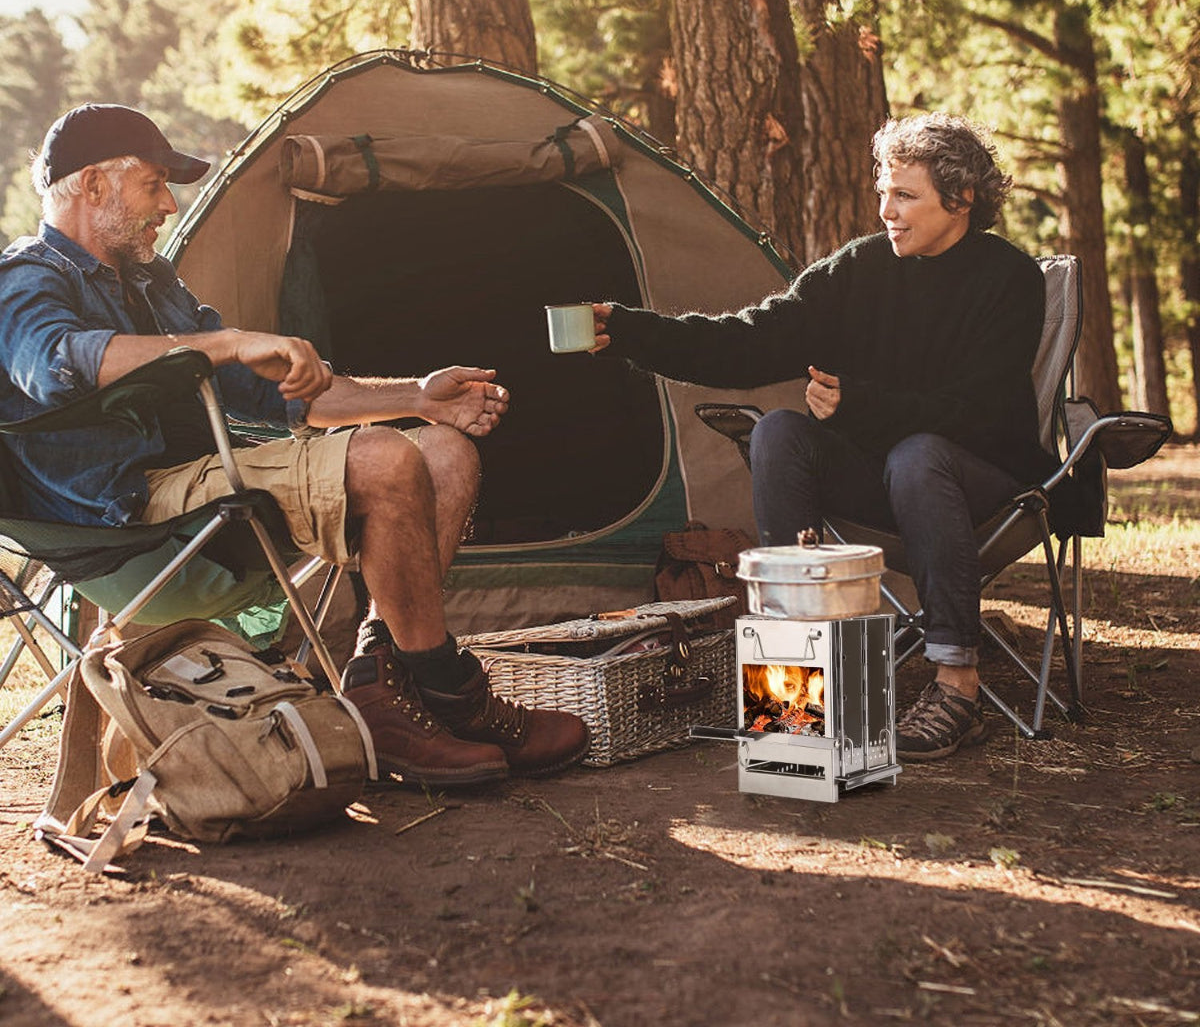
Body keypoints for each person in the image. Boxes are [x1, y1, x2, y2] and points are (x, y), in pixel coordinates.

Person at [0, 103, 589, 787]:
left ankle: (381, 683)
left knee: (442, 451)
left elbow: (276, 395)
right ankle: (451, 692)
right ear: (94, 185)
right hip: (132, 523)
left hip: (209, 495)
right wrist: (223, 342)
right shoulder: (26, 278)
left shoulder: (151, 285)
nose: (167, 204)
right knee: (386, 459)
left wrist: (417, 396)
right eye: (154, 184)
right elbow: (54, 363)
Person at [592, 112, 1059, 762]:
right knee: (781, 432)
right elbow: (750, 338)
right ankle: (795, 683)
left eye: (906, 195)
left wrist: (860, 403)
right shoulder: (862, 270)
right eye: (883, 192)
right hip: (885, 478)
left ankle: (957, 684)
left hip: (983, 482)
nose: (886, 210)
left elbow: (978, 413)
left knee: (919, 454)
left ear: (961, 199)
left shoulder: (1007, 279)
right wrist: (629, 330)